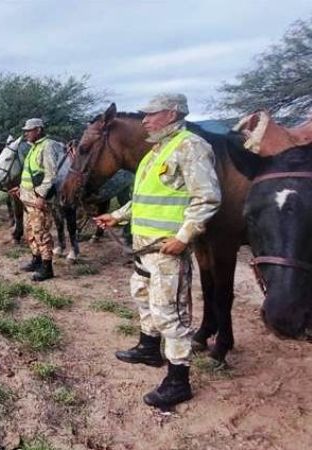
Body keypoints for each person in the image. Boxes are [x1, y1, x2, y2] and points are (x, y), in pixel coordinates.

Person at [94, 93, 221, 409]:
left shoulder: (190, 146)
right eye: (145, 114)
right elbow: (143, 198)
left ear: (172, 114)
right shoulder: (155, 152)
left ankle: (179, 381)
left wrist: (184, 236)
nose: (146, 120)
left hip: (167, 250)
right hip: (144, 248)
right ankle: (148, 348)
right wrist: (118, 215)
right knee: (142, 296)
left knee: (171, 313)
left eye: (152, 114)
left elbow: (206, 198)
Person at [17, 118, 59, 281]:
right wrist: (20, 189)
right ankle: (36, 260)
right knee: (30, 231)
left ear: (39, 130)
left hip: (37, 200)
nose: (26, 133)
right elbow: (31, 174)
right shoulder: (34, 147)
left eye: (29, 130)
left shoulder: (47, 146)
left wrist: (42, 196)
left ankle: (47, 267)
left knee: (41, 232)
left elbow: (51, 174)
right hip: (27, 199)